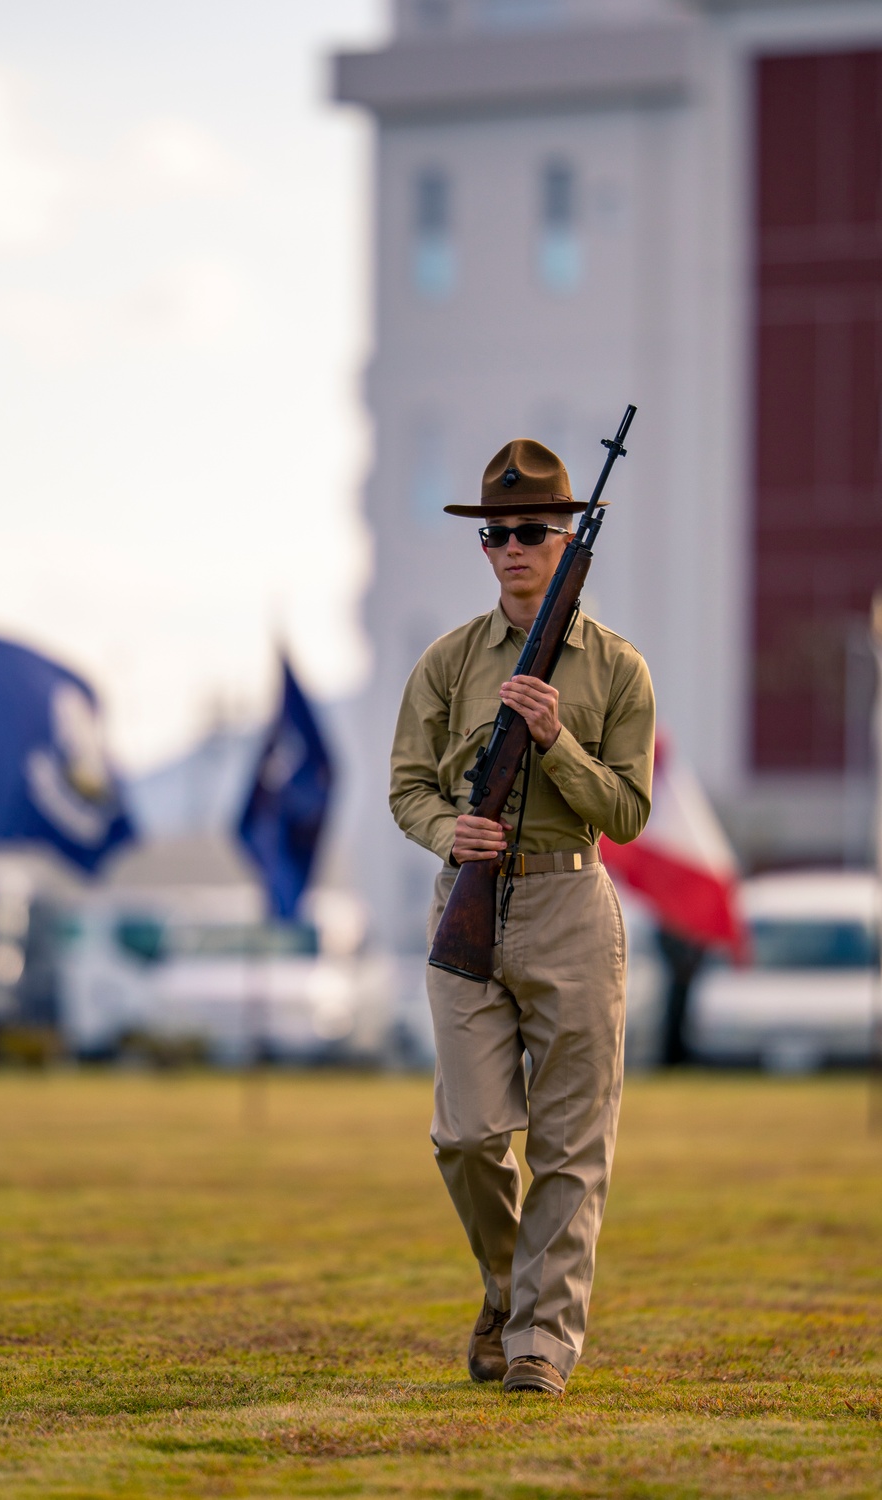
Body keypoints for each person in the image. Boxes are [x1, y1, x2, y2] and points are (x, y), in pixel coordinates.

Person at [390, 438, 654, 1394]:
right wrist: (448, 835)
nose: (510, 546)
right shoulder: (448, 662)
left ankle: (542, 1343)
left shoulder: (619, 671)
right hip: (467, 909)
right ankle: (509, 1286)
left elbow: (628, 812)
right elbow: (407, 788)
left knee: (571, 1143)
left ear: (566, 536)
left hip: (572, 904)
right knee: (465, 1135)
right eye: (495, 533)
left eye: (531, 530)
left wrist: (557, 739)